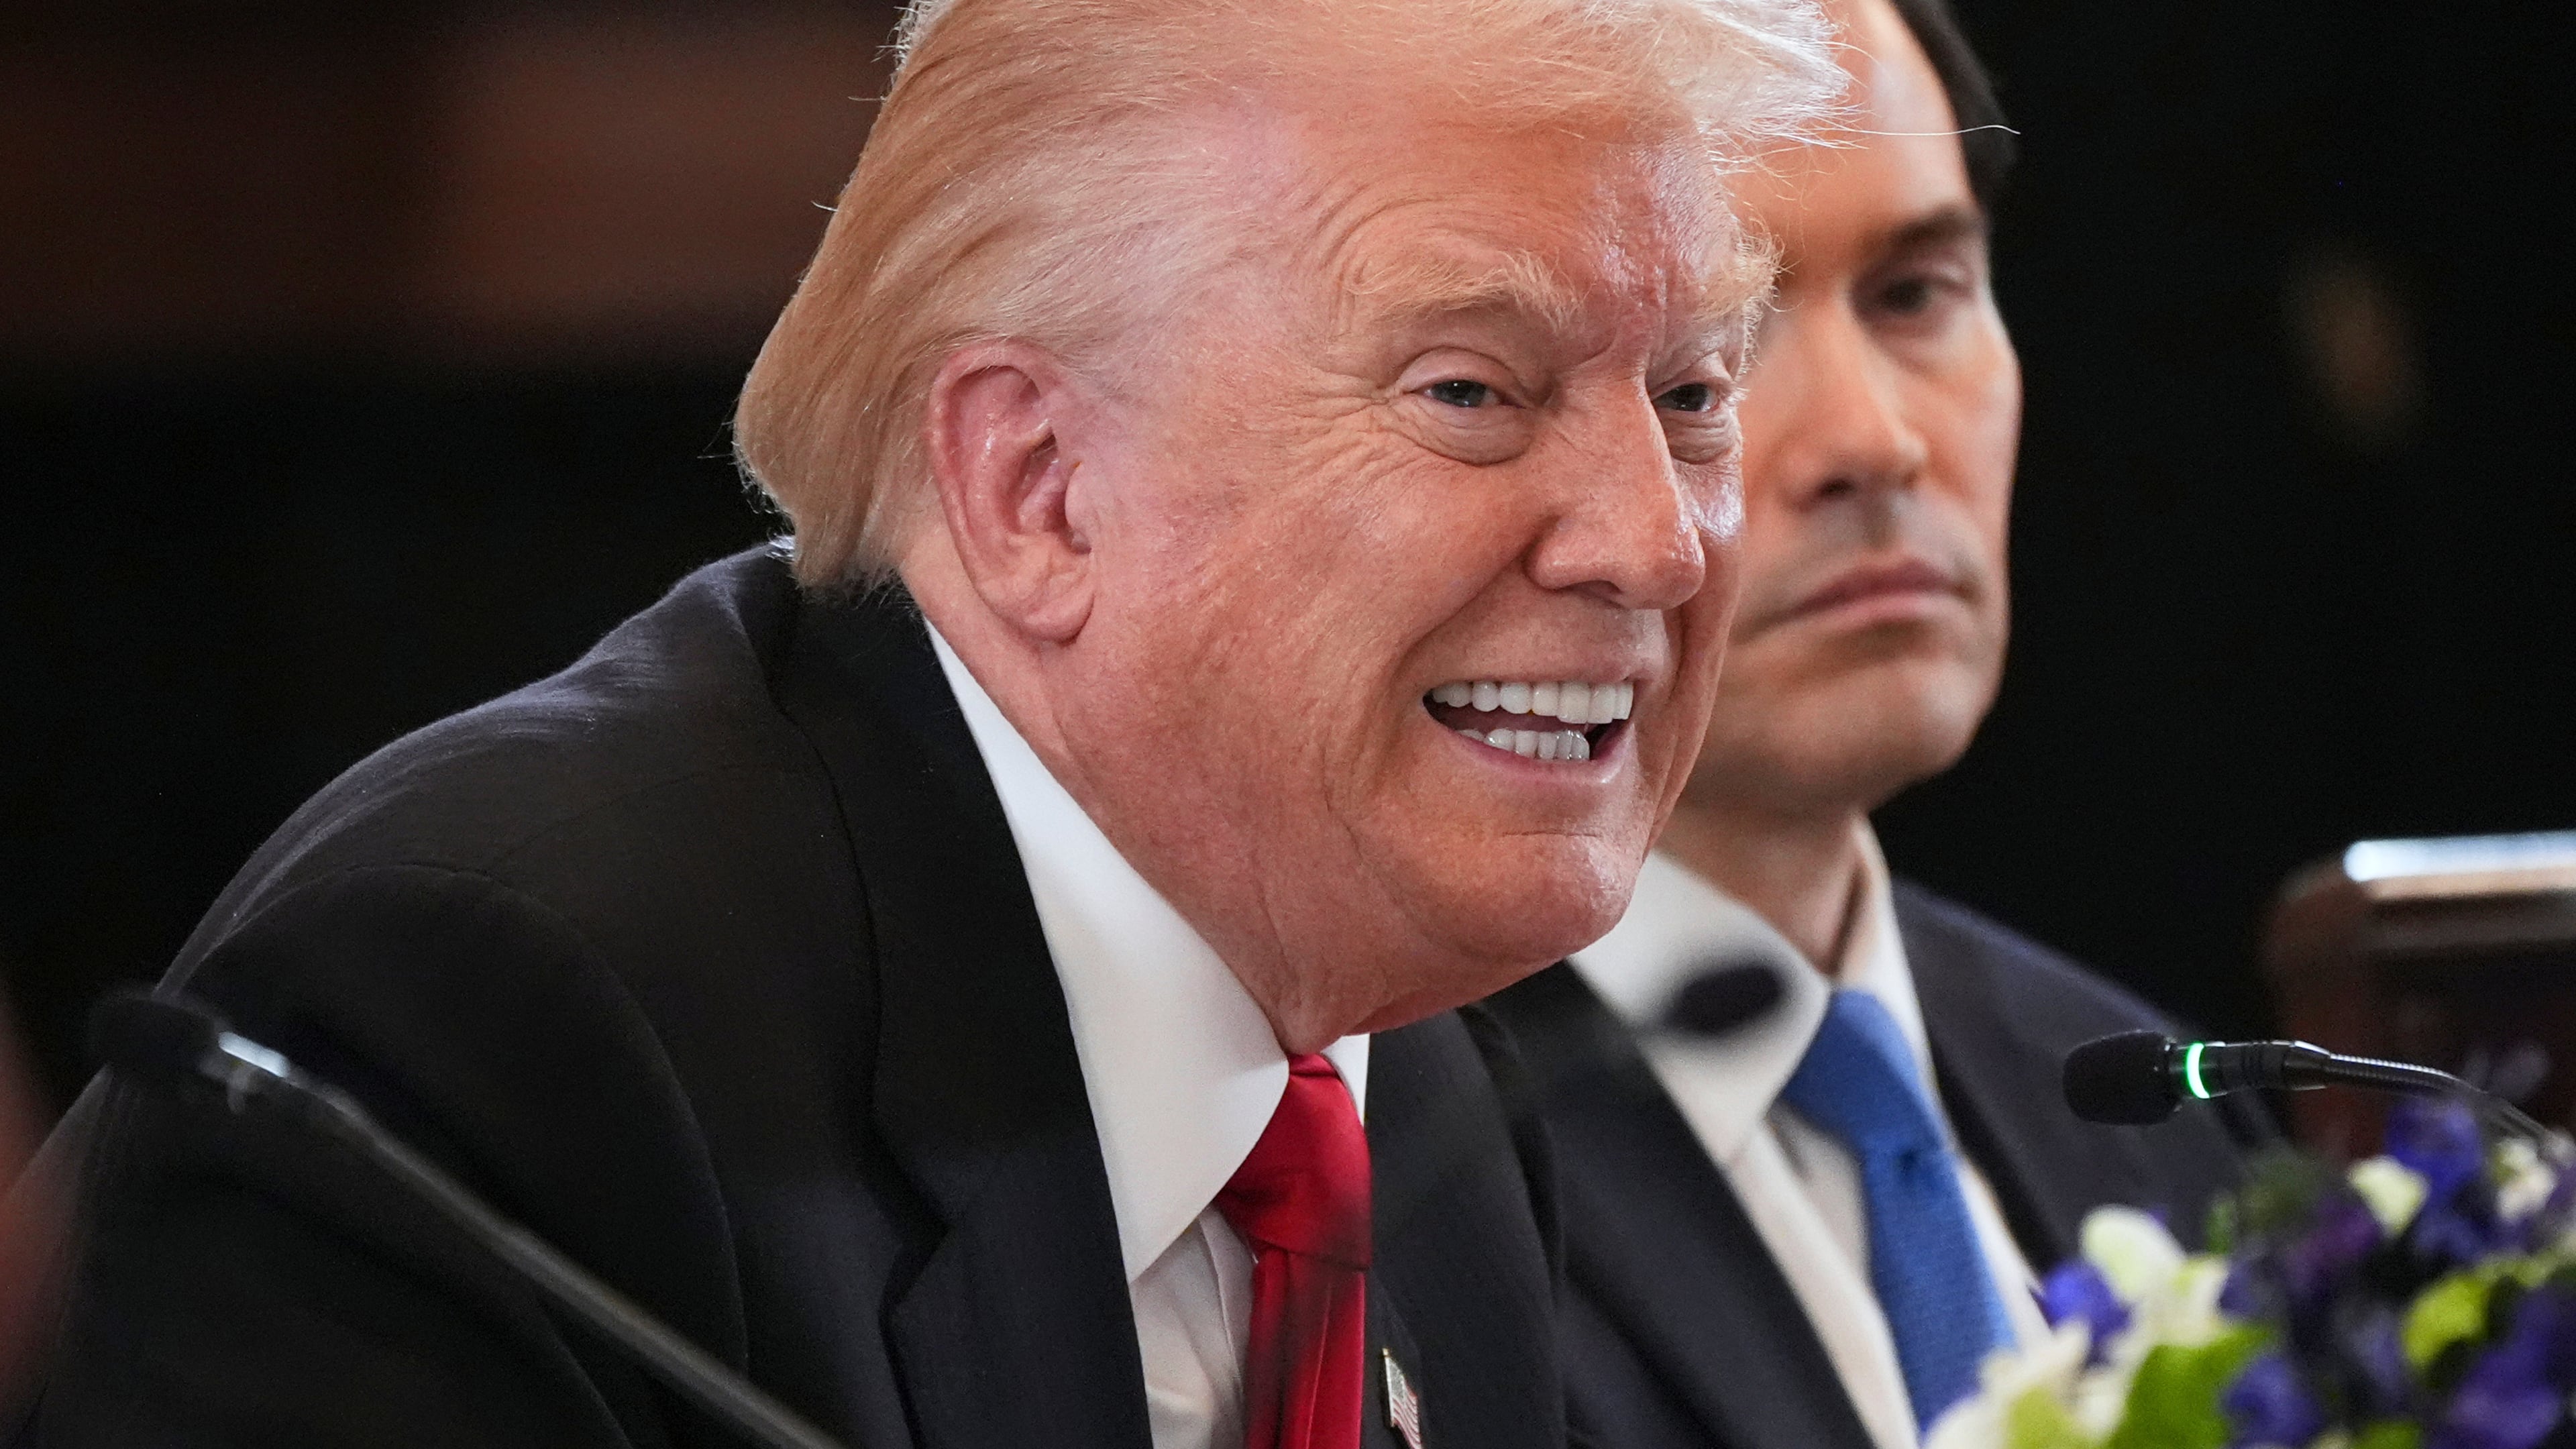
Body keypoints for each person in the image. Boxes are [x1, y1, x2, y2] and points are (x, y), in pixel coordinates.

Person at [11, 1, 1841, 1446]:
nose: (1656, 541)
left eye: (1689, 393)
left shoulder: (1423, 1055)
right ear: (1036, 488)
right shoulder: (508, 1037)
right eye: (1472, 392)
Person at [1481, 4, 2268, 1448]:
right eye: (1724, 336)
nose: (1874, 441)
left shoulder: (2164, 1106)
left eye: (1916, 294)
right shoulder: (1370, 1168)